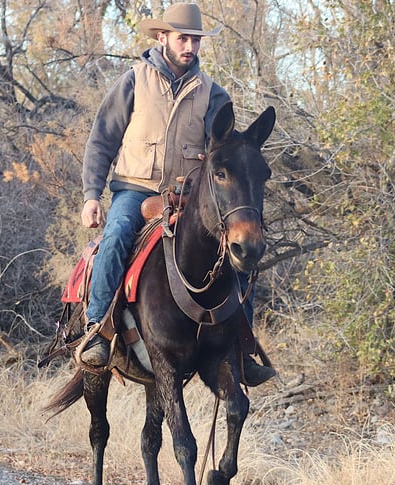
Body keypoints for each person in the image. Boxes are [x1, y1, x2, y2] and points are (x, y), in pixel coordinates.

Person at [78, 2, 276, 386]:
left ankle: (241, 343)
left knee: (236, 254)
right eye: (182, 38)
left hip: (188, 196)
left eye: (195, 40)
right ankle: (97, 329)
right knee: (117, 235)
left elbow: (224, 146)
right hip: (136, 191)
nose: (189, 46)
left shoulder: (212, 94)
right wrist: (91, 195)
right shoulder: (135, 79)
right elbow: (102, 139)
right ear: (162, 37)